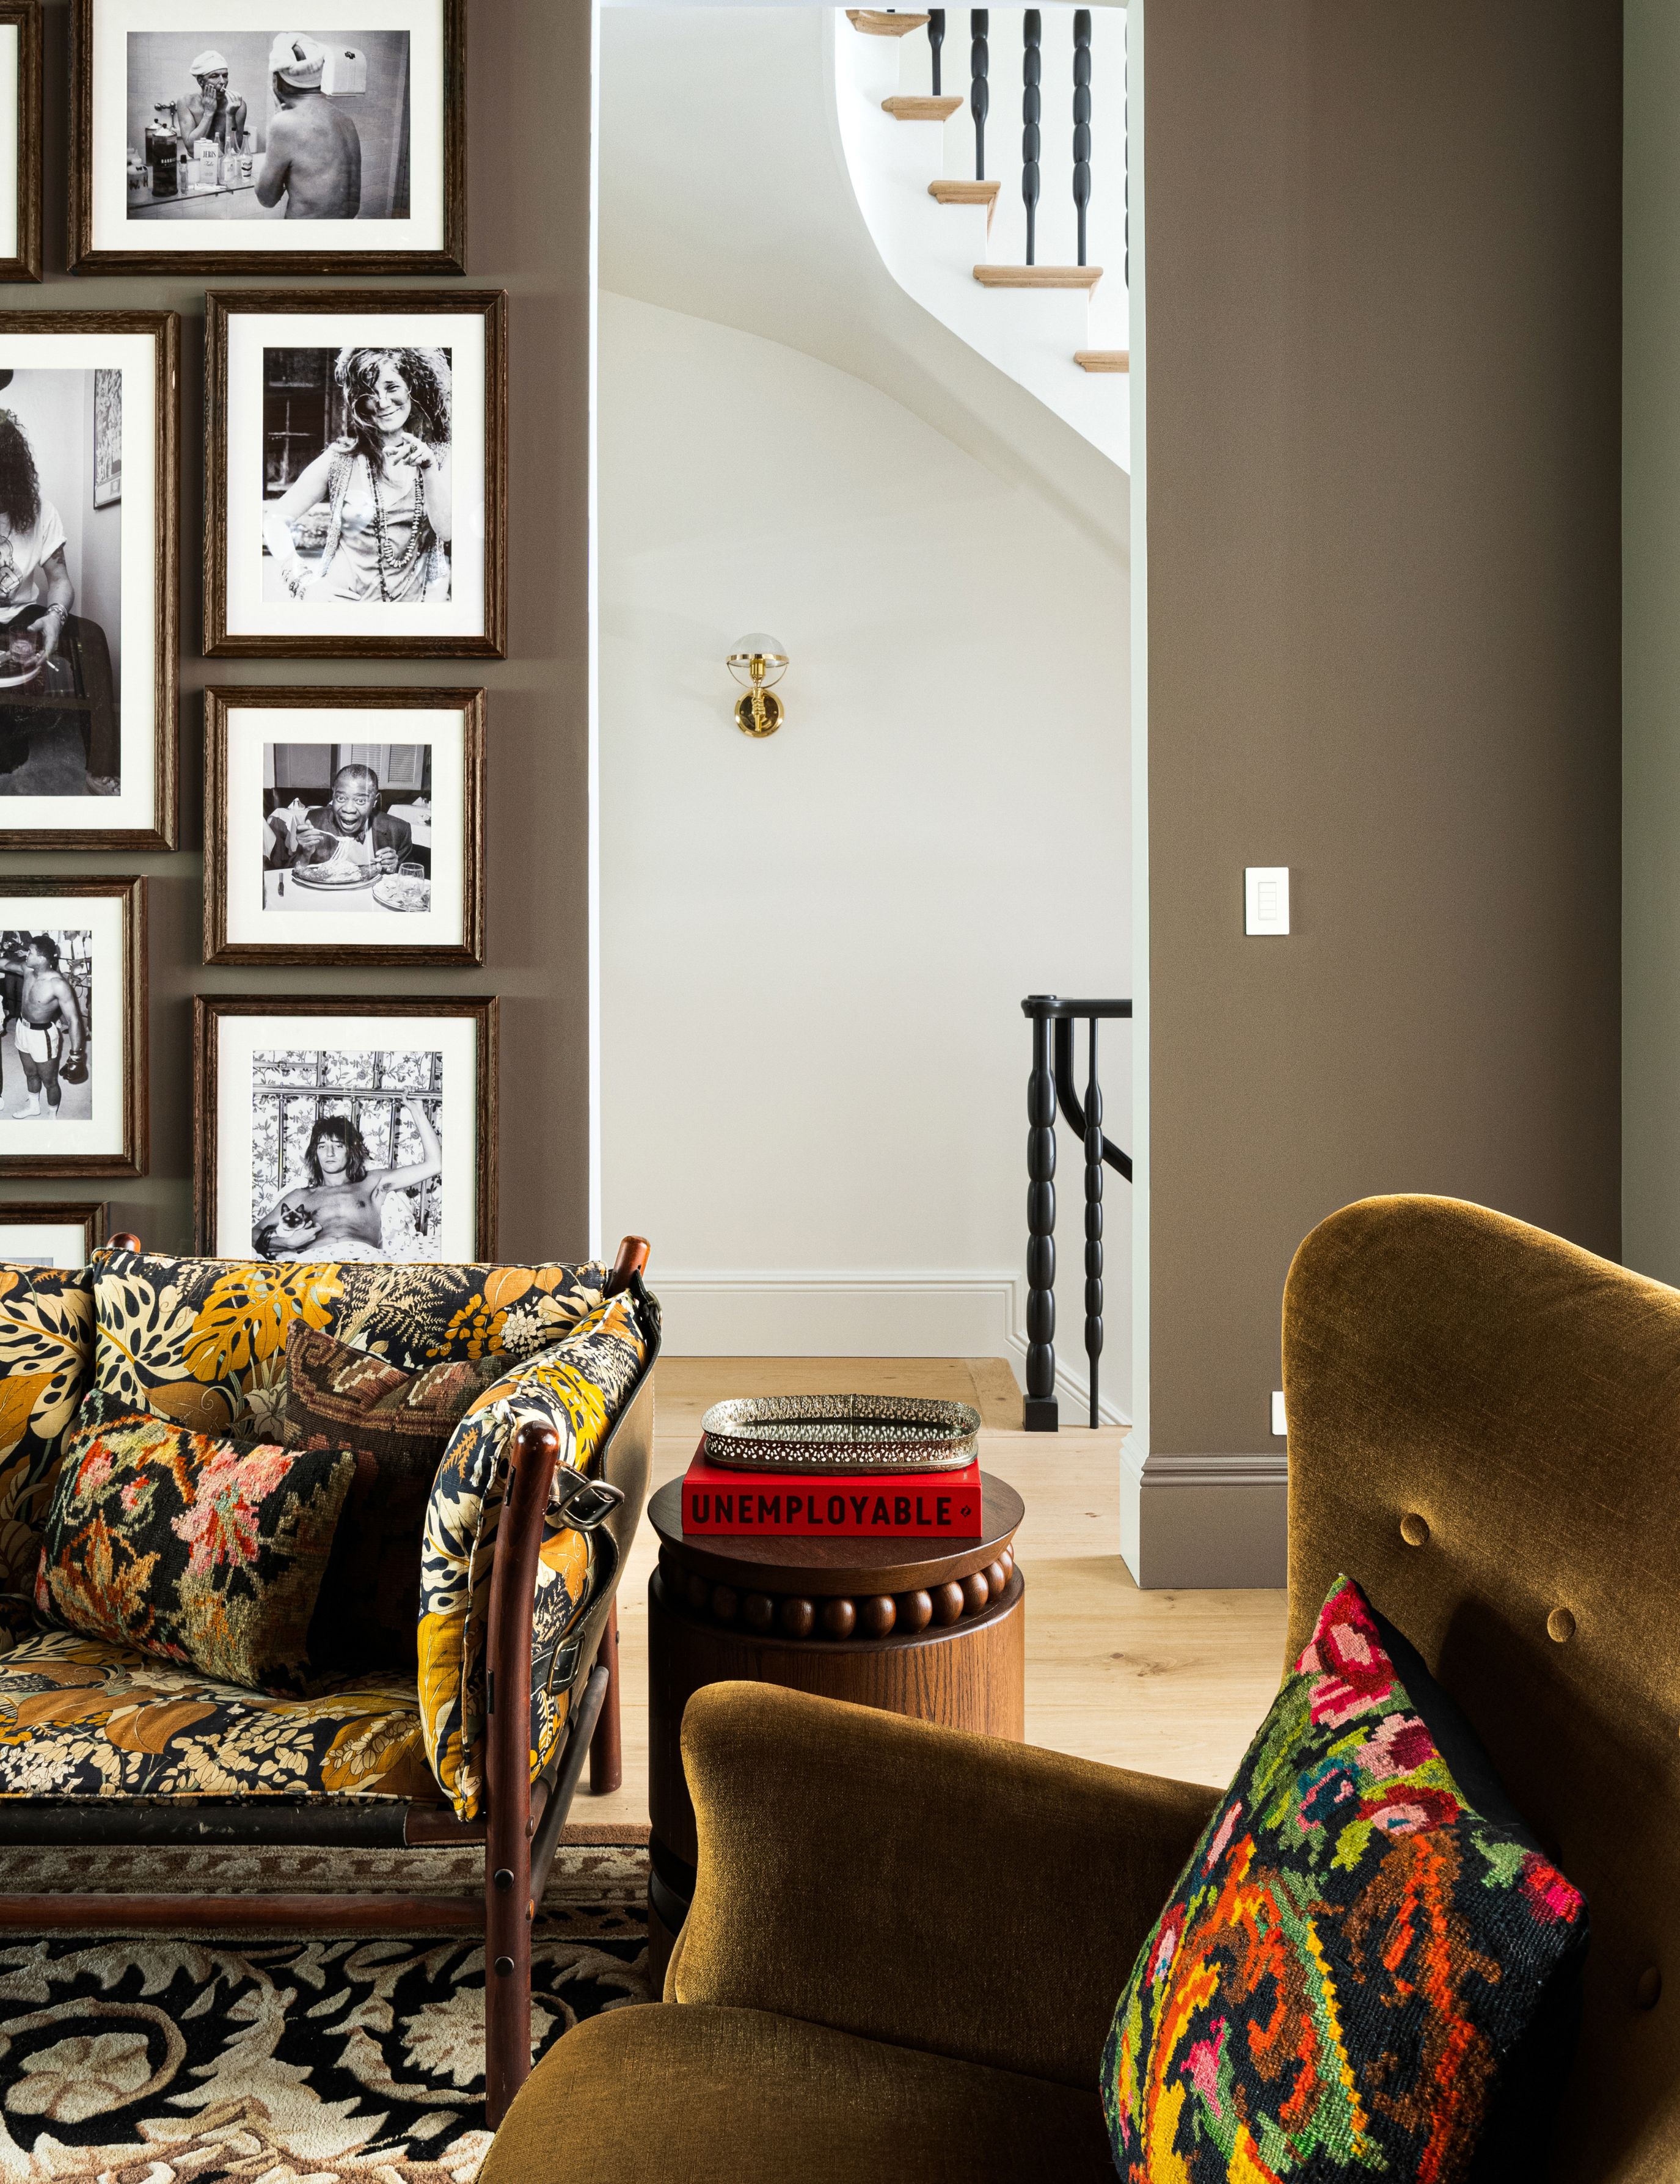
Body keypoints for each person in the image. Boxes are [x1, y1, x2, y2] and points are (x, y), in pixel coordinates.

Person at [261, 348, 451, 605]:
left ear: (412, 388)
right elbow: (275, 521)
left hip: (409, 621)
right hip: (343, 618)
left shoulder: (439, 458)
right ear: (357, 401)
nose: (382, 402)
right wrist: (302, 582)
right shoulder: (341, 459)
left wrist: (428, 467)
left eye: (392, 387)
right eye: (369, 392)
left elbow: (447, 530)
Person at [254, 1103, 440, 1260]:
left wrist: (417, 1110)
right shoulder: (301, 1196)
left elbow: (435, 1164)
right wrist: (287, 1243)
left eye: (338, 1146)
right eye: (322, 1147)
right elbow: (252, 1233)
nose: (330, 1154)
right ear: (315, 1153)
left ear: (350, 1150)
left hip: (363, 1261)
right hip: (313, 1263)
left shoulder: (372, 1184)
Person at [0, 410, 76, 778]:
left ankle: (103, 767)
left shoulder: (42, 513)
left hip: (22, 616)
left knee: (92, 637)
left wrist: (56, 616)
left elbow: (60, 579)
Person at [255, 34, 362, 221]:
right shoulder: (346, 120)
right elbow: (351, 205)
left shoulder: (285, 124)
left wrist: (279, 118)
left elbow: (266, 199)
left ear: (276, 79)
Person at [266, 763, 414, 876]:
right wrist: (305, 854)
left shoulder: (398, 830)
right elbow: (292, 874)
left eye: (361, 801)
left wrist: (393, 869)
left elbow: (409, 883)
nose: (348, 809)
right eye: (341, 798)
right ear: (333, 795)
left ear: (374, 801)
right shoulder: (316, 820)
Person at [12, 936, 86, 1120]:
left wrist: (77, 1054)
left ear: (42, 958)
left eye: (30, 952)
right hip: (22, 1028)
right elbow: (5, 965)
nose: (26, 955)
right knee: (30, 1073)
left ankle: (52, 1117)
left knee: (50, 1081)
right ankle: (34, 1106)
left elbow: (74, 1020)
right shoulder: (27, 970)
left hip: (42, 1035)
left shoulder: (58, 984)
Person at [172, 49, 247, 157]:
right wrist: (209, 112)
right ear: (200, 81)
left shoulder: (238, 105)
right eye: (215, 76)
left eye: (225, 76)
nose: (222, 82)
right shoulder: (186, 103)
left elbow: (235, 151)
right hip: (199, 165)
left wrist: (231, 115)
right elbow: (191, 149)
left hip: (227, 164)